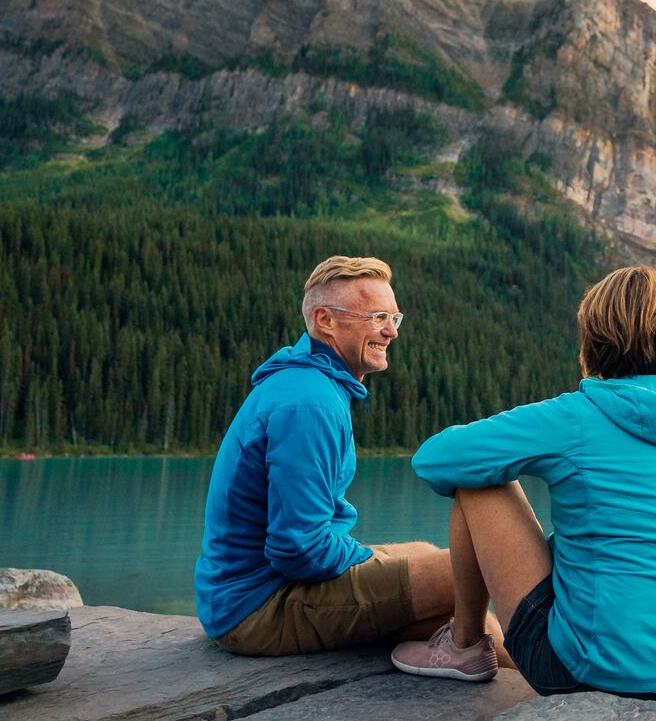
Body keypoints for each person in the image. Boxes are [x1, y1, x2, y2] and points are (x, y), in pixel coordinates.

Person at [395, 265, 656, 702]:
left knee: (479, 483)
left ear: (593, 340)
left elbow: (435, 459)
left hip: (592, 674)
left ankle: (464, 647)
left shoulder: (576, 416)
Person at [194, 255, 497, 657]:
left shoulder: (309, 384)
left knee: (426, 556)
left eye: (394, 317)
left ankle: (485, 664)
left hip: (249, 594)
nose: (391, 332)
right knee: (463, 573)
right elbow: (298, 549)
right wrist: (369, 560)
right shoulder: (309, 404)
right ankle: (508, 675)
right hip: (256, 608)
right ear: (325, 320)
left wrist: (379, 567)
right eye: (377, 318)